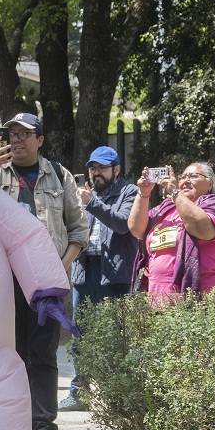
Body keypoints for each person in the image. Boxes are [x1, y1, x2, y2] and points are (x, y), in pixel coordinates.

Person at [0, 112, 88, 430]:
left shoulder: (60, 175)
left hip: (47, 283)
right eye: (11, 134)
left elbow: (78, 231)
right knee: (11, 354)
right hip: (5, 280)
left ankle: (44, 428)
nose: (15, 140)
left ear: (40, 140)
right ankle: (14, 424)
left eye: (24, 134)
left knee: (44, 354)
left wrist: (58, 269)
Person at [61, 147, 139, 412]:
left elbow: (122, 224)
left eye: (103, 168)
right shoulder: (83, 194)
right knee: (79, 336)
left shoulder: (128, 192)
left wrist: (91, 203)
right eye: (93, 168)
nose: (97, 173)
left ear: (116, 170)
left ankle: (117, 394)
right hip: (84, 272)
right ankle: (78, 392)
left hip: (113, 275)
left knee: (116, 336)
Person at [128, 162, 215, 299]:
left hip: (204, 300)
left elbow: (201, 229)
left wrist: (174, 191)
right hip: (159, 298)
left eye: (194, 176)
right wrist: (144, 192)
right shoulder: (165, 208)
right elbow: (137, 229)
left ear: (210, 183)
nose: (186, 181)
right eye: (183, 177)